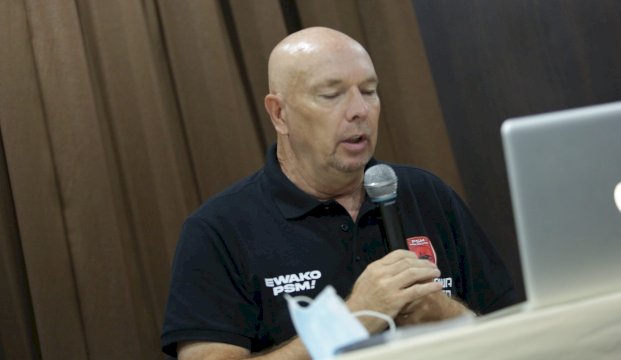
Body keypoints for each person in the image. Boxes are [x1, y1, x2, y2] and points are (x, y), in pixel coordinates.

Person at [162, 27, 516, 359]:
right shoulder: (218, 230)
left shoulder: (427, 193)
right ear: (279, 113)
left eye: (369, 91)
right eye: (331, 94)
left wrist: (448, 315)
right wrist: (350, 321)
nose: (359, 111)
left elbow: (518, 335)